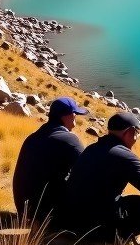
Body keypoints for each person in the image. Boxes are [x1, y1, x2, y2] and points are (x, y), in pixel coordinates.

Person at [60, 111, 140, 243]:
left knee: (128, 200)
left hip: (74, 222)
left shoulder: (91, 149)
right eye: (137, 132)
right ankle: (124, 237)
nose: (137, 137)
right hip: (102, 229)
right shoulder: (124, 155)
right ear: (130, 132)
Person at [12, 96, 88, 225]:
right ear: (66, 116)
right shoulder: (68, 139)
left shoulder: (33, 137)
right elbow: (89, 169)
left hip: (24, 209)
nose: (76, 116)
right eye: (74, 113)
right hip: (48, 214)